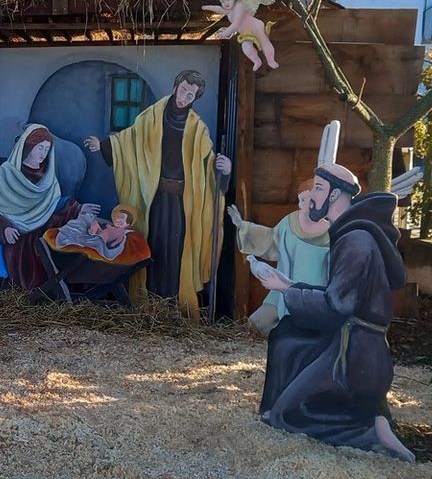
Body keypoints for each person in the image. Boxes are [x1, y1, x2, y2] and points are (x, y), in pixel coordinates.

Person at [256, 163, 414, 462]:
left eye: (318, 188)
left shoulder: (356, 241)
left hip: (355, 355)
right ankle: (370, 417)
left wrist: (287, 290)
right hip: (351, 341)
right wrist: (288, 285)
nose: (311, 197)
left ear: (335, 194)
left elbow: (336, 306)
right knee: (287, 335)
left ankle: (369, 430)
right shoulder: (351, 234)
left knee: (288, 416)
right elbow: (338, 297)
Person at [84, 70, 230, 316]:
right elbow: (129, 140)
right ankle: (146, 304)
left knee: (176, 252)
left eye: (190, 95)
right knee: (151, 247)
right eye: (182, 91)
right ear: (175, 87)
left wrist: (223, 170)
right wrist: (104, 146)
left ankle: (174, 306)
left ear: (195, 99)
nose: (183, 98)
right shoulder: (151, 116)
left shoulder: (198, 129)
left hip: (182, 204)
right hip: (152, 201)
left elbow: (208, 166)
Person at [0, 124, 98, 293]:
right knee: (19, 251)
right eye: (40, 148)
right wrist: (4, 228)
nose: (43, 153)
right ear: (28, 146)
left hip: (41, 228)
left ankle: (57, 290)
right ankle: (24, 295)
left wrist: (78, 208)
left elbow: (53, 203)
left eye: (47, 149)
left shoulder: (47, 177)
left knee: (68, 241)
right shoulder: (6, 173)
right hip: (16, 233)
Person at [230, 180, 330, 336]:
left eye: (305, 200)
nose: (300, 205)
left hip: (312, 297)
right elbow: (271, 239)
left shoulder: (332, 231)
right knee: (254, 326)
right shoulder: (290, 223)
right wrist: (242, 226)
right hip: (280, 294)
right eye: (300, 199)